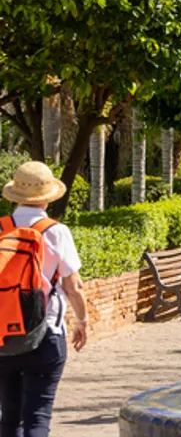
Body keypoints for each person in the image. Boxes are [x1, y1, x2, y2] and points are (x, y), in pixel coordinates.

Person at [0, 161, 89, 437]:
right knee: (37, 416)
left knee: (8, 418)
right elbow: (73, 286)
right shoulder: (55, 231)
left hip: (3, 334)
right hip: (46, 331)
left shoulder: (1, 228)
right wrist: (82, 321)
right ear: (47, 198)